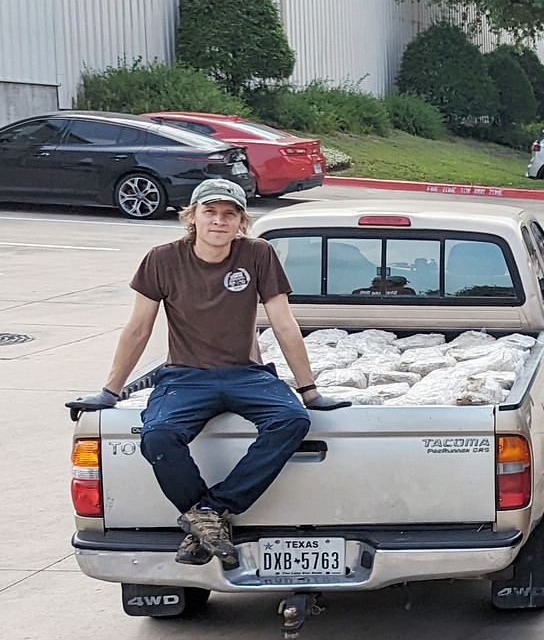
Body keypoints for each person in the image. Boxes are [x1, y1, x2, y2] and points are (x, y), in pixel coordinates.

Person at [65, 179, 347, 569]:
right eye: (210, 212)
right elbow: (138, 328)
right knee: (159, 435)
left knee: (293, 419)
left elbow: (283, 323)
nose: (219, 221)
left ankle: (211, 511)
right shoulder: (161, 259)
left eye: (229, 214)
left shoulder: (258, 254)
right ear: (192, 217)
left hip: (247, 374)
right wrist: (109, 392)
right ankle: (204, 518)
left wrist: (310, 391)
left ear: (241, 221)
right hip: (185, 376)